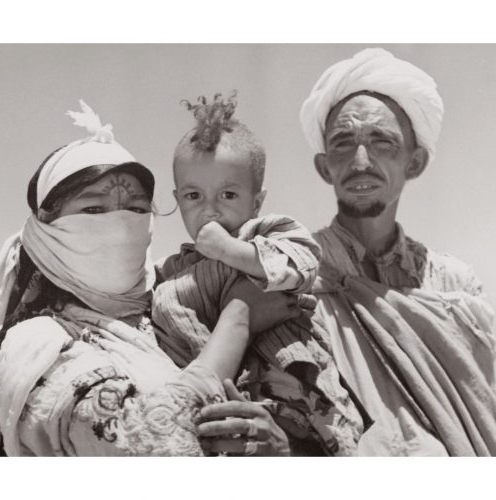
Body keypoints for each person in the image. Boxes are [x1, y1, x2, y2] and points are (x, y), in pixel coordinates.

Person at [0, 100, 291, 456]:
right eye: (93, 209)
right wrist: (239, 318)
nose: (120, 225)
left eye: (136, 209)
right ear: (46, 229)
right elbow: (147, 445)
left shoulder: (175, 313)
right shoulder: (38, 346)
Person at [300, 48, 496, 456]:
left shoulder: (453, 286)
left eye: (382, 142)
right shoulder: (299, 274)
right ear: (323, 167)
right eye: (342, 144)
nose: (360, 161)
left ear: (416, 161)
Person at [151, 92, 369, 456]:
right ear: (176, 197)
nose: (209, 210)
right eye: (193, 196)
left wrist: (232, 251)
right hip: (213, 388)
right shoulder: (172, 271)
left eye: (228, 195)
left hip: (288, 382)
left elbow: (301, 264)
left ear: (256, 201)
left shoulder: (267, 233)